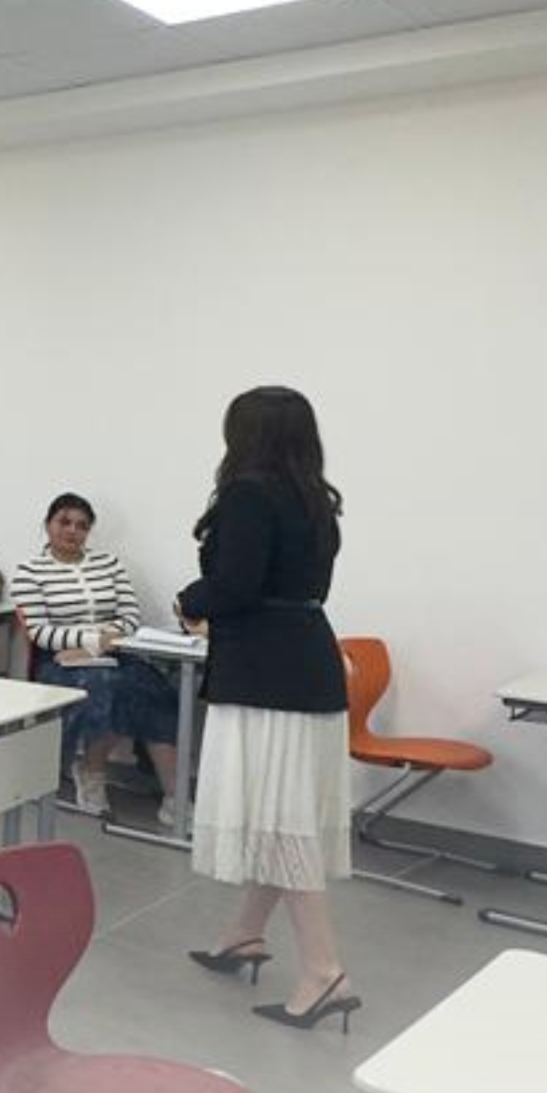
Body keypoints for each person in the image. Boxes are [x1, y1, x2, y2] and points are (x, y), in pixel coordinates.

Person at [178, 388, 360, 1032]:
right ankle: (244, 934)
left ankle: (324, 970)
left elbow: (235, 585)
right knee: (281, 813)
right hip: (308, 664)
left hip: (265, 675)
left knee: (282, 825)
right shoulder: (316, 500)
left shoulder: (249, 494)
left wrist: (188, 599)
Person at [13, 492, 183, 821]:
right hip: (60, 662)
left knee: (156, 689)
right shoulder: (30, 572)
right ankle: (91, 772)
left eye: (82, 525)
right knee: (107, 688)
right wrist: (91, 641)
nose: (72, 531)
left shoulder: (109, 564)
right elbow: (39, 632)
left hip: (114, 652)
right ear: (48, 525)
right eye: (64, 522)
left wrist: (101, 643)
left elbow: (130, 615)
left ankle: (174, 793)